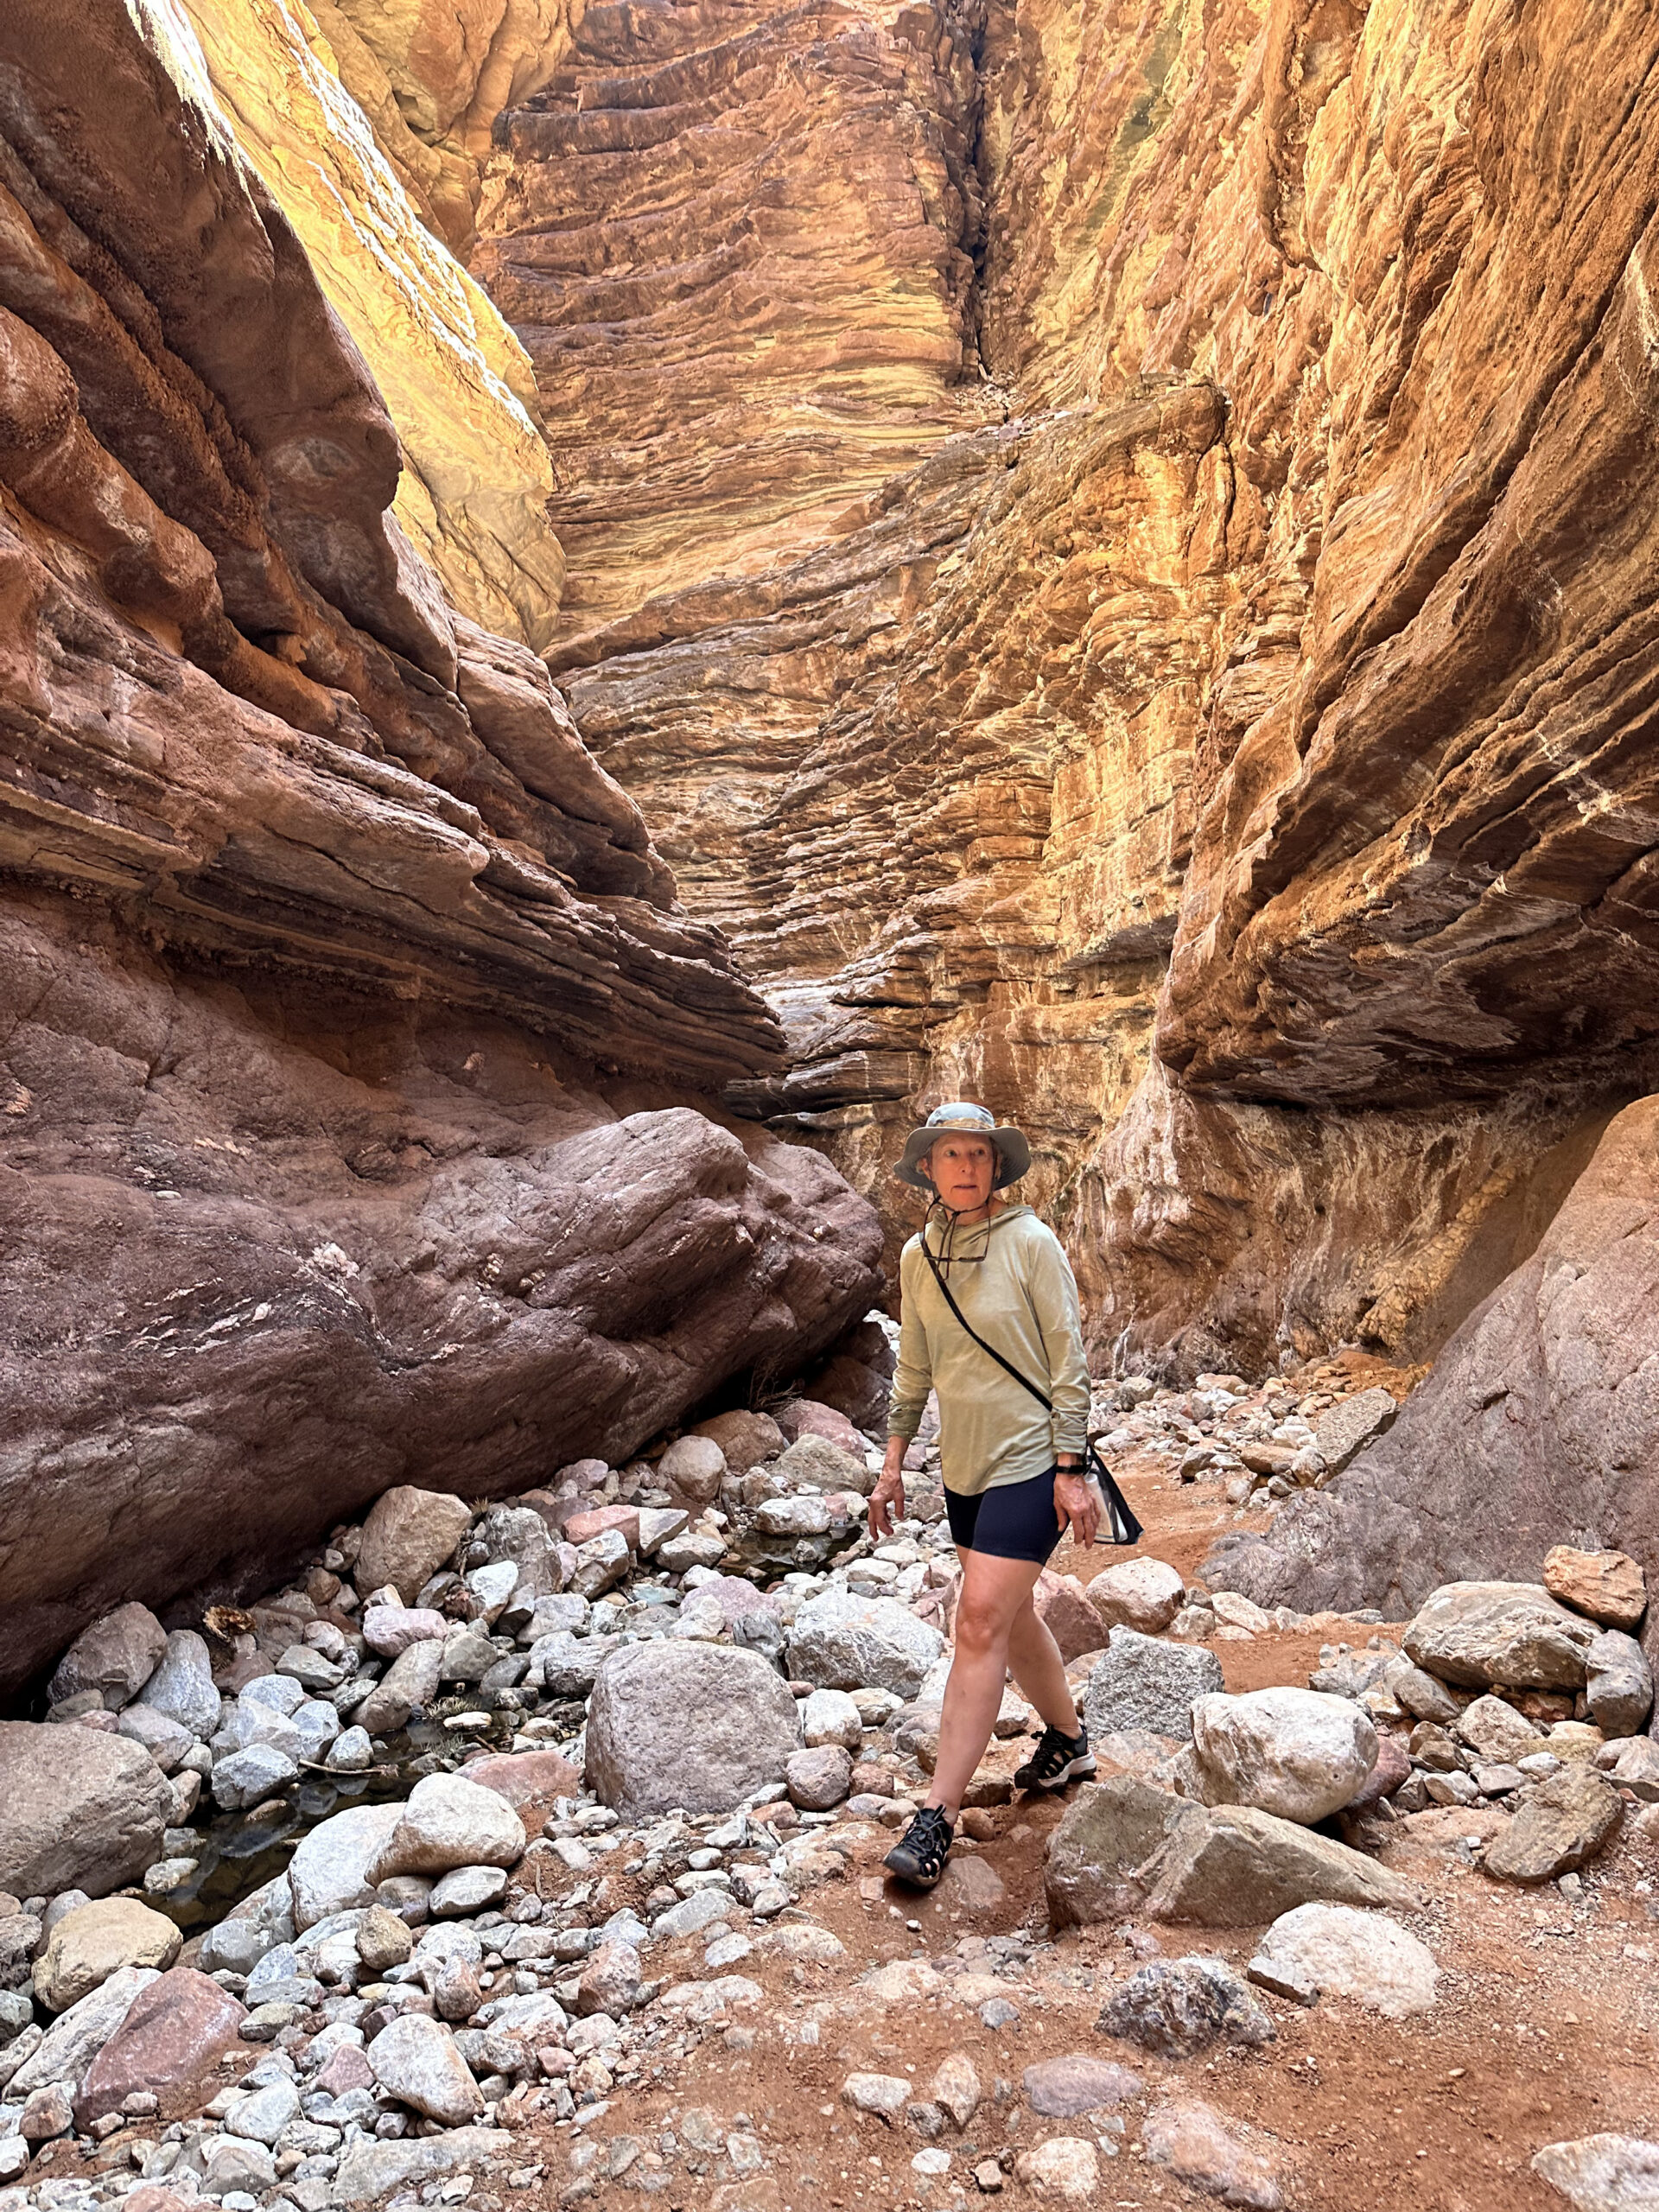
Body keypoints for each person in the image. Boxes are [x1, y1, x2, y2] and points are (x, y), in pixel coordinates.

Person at [868, 1101, 1098, 1889]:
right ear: (927, 1169)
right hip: (962, 1469)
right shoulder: (917, 1257)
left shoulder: (1032, 1244)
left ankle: (935, 1817)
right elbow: (915, 1371)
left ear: (996, 1168)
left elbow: (1068, 1362)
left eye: (979, 1154)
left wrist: (1073, 1469)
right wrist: (893, 1464)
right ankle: (1068, 1741)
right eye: (950, 1154)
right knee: (1014, 1612)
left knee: (976, 1621)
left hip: (1033, 1461)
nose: (966, 1166)